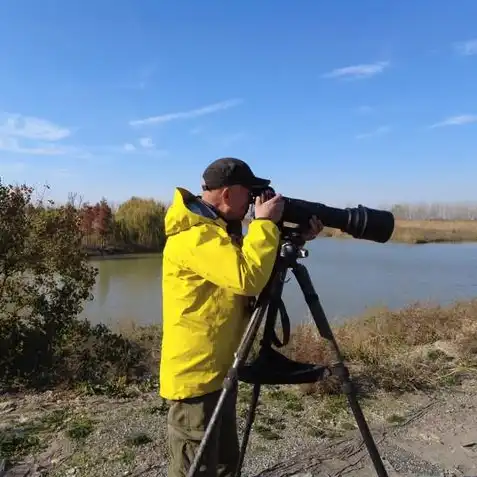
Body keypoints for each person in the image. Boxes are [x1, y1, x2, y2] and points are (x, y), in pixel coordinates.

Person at [159, 157, 323, 477]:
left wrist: (294, 237)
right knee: (195, 468)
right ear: (228, 193)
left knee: (224, 465)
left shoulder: (219, 231)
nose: (252, 201)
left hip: (221, 371)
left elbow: (255, 268)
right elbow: (246, 277)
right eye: (249, 193)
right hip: (197, 380)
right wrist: (263, 224)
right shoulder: (195, 236)